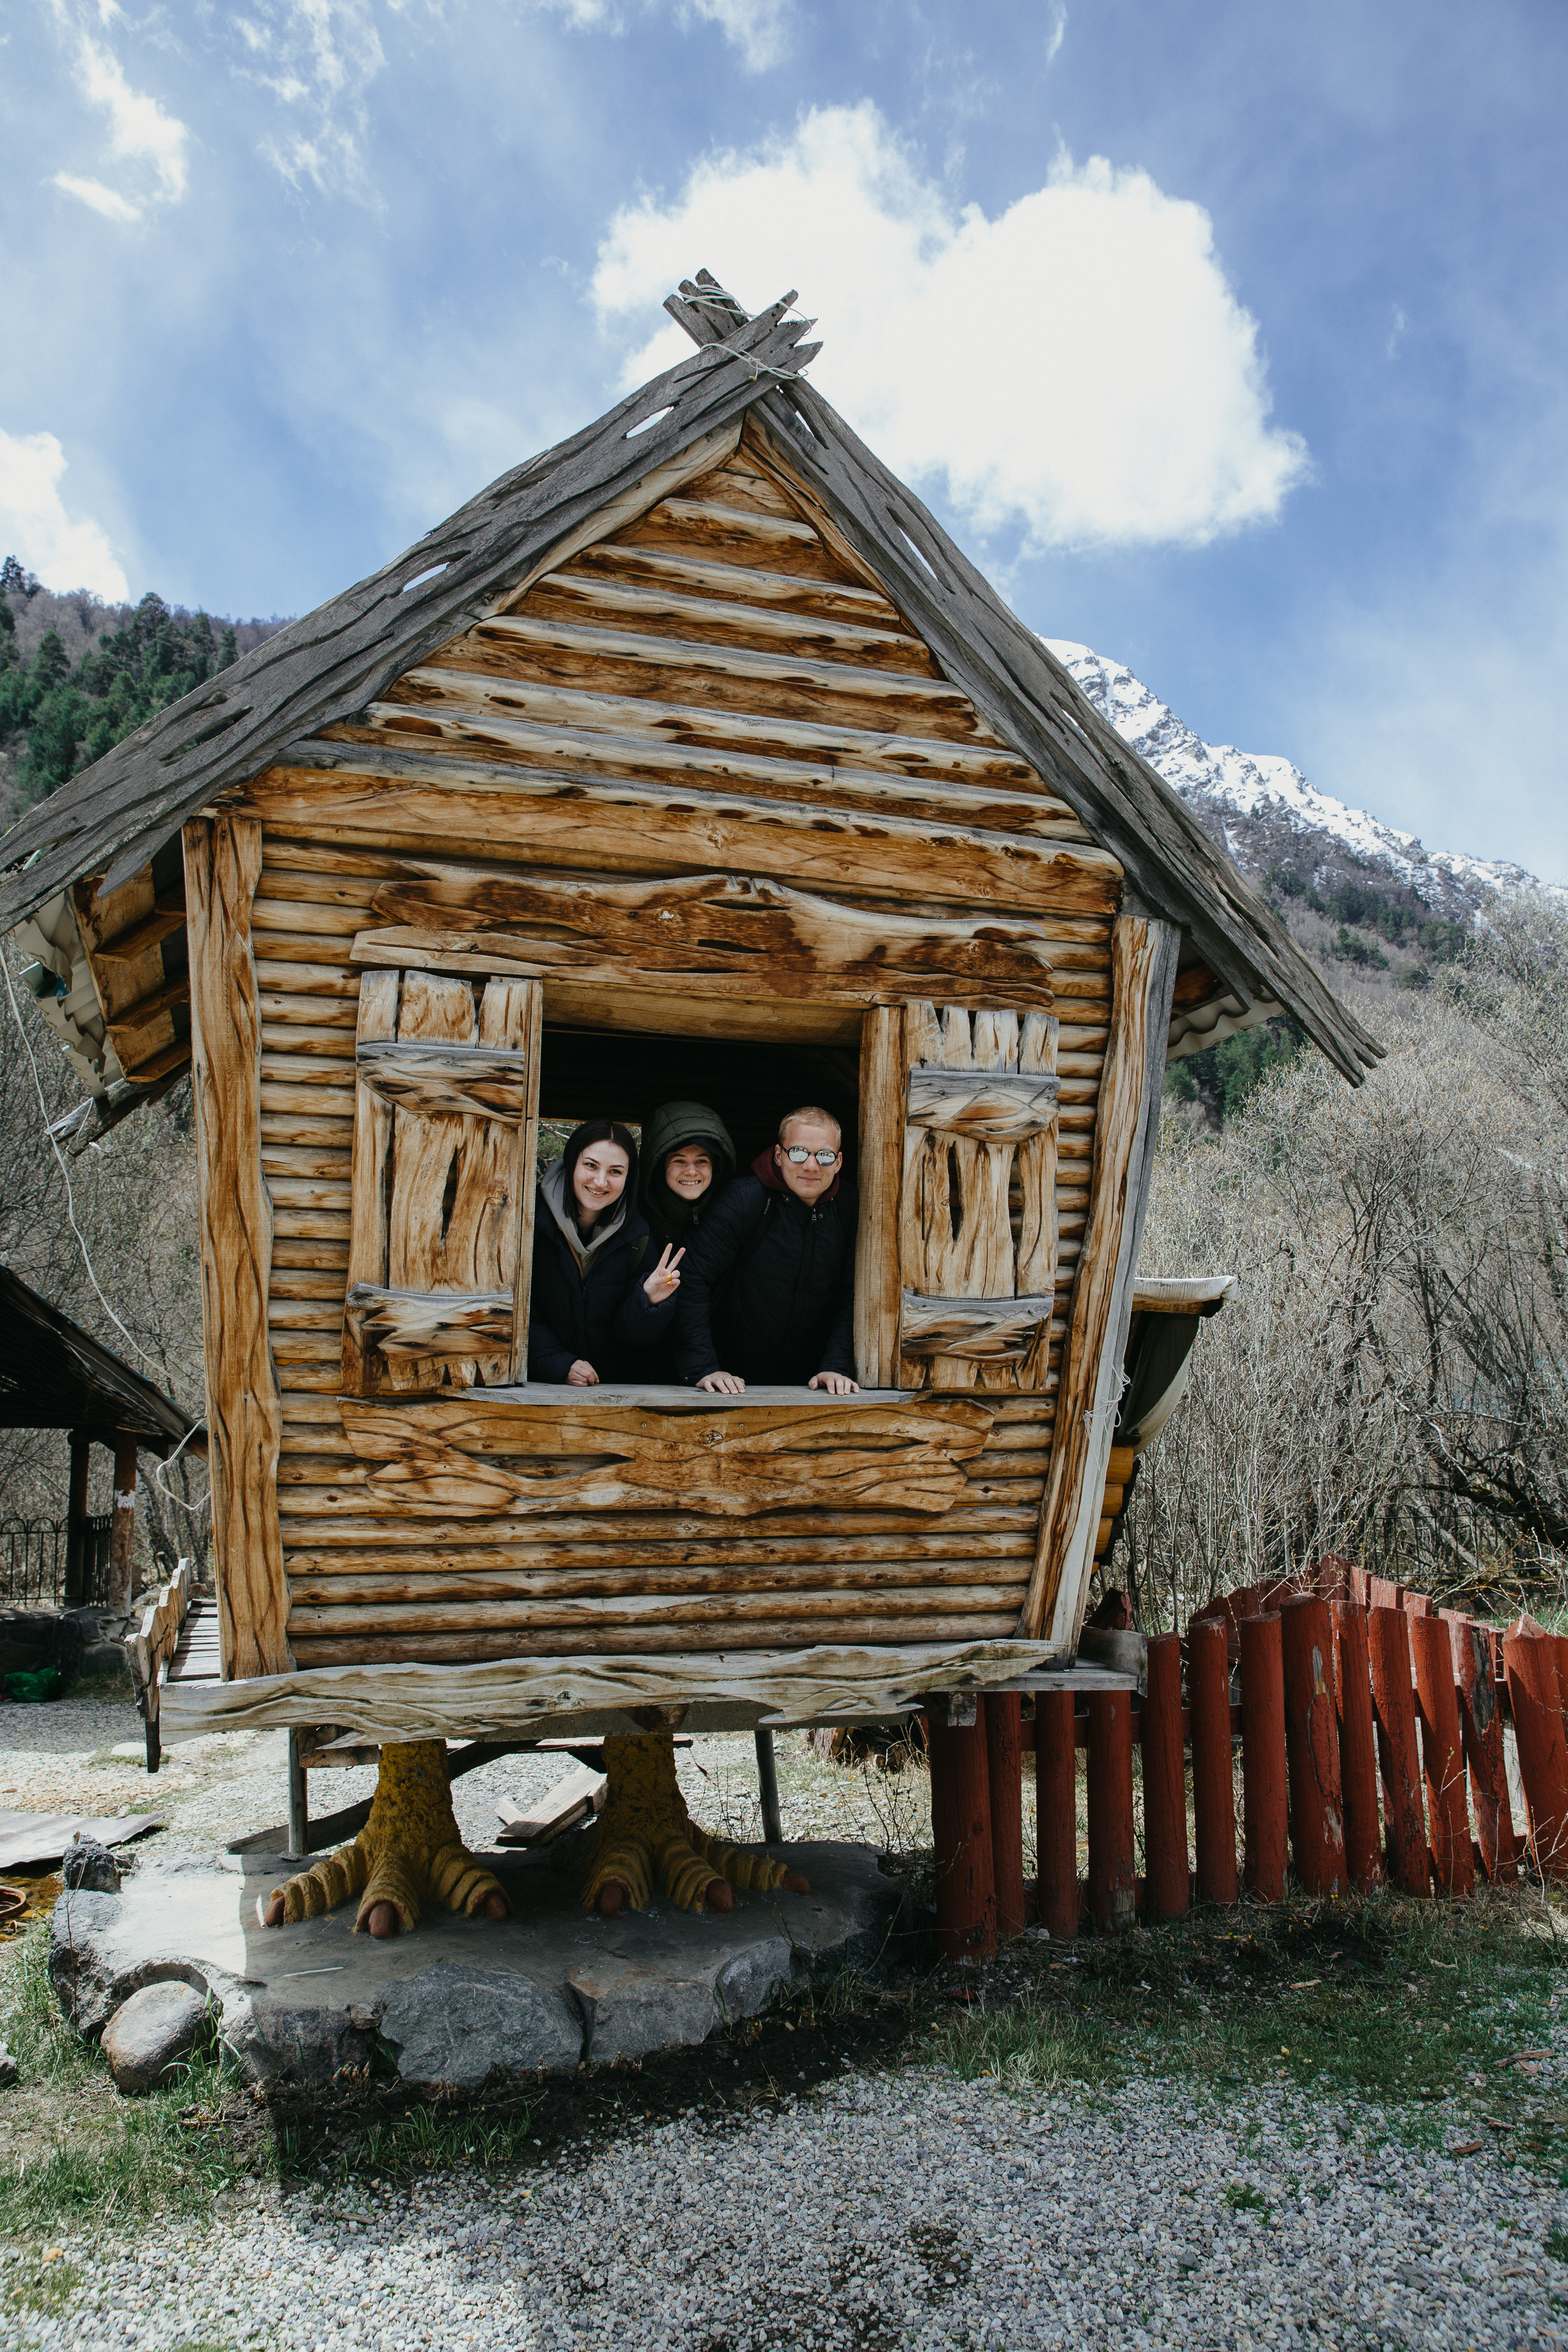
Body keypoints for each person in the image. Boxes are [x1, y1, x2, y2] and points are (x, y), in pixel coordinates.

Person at [673, 1105, 859, 1395]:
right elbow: (691, 1279)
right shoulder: (744, 1201)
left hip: (813, 1383)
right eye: (798, 1152)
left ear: (838, 1162)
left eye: (824, 1155)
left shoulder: (848, 1207)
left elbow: (856, 1293)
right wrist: (703, 1366)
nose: (811, 1166)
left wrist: (837, 1364)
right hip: (731, 1380)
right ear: (778, 1155)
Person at [529, 1119, 684, 1386]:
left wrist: (647, 1303)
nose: (600, 1181)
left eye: (615, 1171)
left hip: (611, 1390)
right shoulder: (528, 1221)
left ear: (628, 1177)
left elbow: (630, 1337)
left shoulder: (637, 1235)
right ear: (572, 1163)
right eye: (591, 1165)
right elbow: (513, 1308)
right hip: (536, 1385)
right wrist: (558, 1362)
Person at [636, 1101, 737, 1381]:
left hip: (716, 1360)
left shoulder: (733, 1215)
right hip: (639, 1364)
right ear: (659, 1165)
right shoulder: (635, 1219)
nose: (691, 1171)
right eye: (679, 1160)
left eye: (702, 1161)